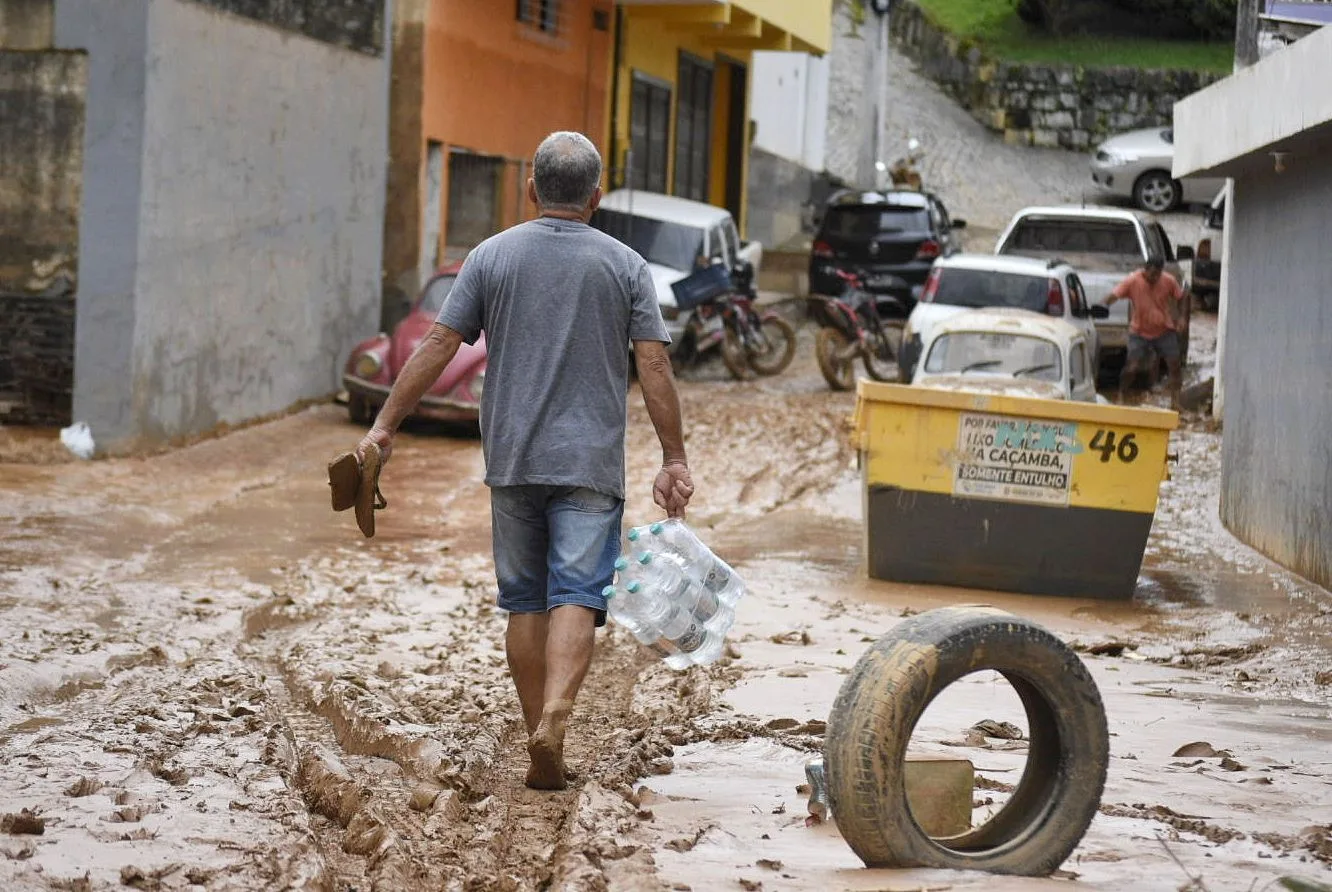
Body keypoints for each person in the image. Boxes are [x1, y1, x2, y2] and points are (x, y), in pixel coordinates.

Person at [350, 131, 694, 790]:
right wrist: (673, 457)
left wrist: (384, 426)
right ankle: (556, 718)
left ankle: (536, 719)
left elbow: (439, 344)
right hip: (589, 463)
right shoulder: (625, 265)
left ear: (531, 188)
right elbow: (653, 360)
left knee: (525, 602)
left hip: (511, 458)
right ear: (596, 196)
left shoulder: (490, 257)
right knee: (577, 593)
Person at [1102, 258, 1188, 409]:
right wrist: (1102, 306)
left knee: (1174, 365)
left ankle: (1175, 401)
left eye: (1158, 274)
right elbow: (1114, 295)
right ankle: (1122, 395)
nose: (1155, 278)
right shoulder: (1133, 280)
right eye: (1153, 274)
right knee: (1132, 367)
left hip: (1164, 330)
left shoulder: (1168, 280)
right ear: (1145, 270)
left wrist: (1181, 318)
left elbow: (1181, 297)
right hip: (1139, 332)